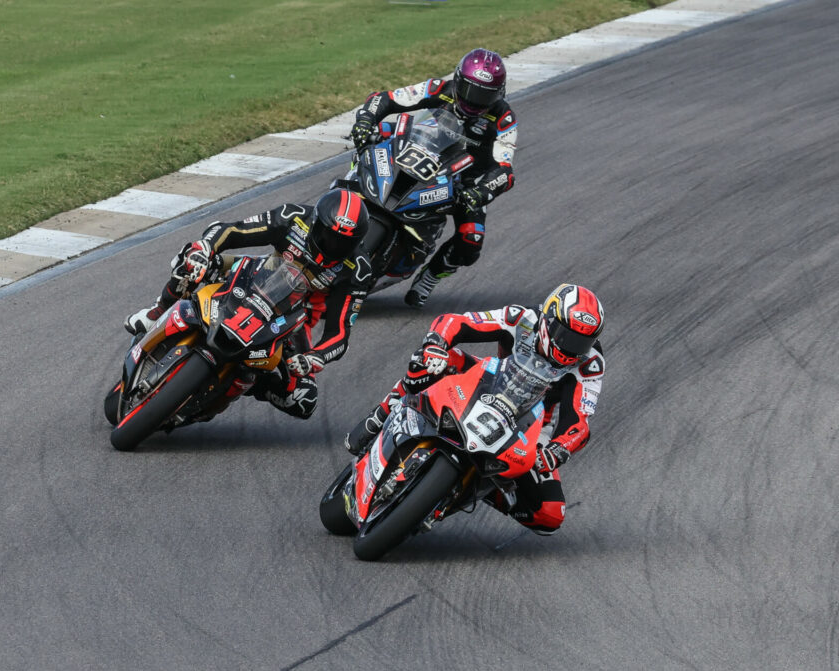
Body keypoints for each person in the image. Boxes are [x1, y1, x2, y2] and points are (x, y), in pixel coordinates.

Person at [344, 283, 605, 535]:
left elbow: (578, 421)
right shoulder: (522, 318)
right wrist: (436, 343)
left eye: (581, 342)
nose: (570, 349)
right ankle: (381, 415)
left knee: (550, 514)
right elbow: (458, 322)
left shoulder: (590, 363)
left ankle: (488, 486)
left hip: (532, 426)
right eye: (565, 336)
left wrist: (558, 449)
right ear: (548, 321)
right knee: (438, 361)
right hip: (490, 382)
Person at [125, 188, 372, 420]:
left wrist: (315, 357)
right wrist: (206, 248)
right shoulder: (294, 217)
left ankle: (251, 380)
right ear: (317, 223)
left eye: (343, 243)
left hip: (295, 321)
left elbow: (339, 333)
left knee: (303, 401)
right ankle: (157, 312)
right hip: (256, 275)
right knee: (192, 262)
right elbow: (232, 230)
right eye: (329, 237)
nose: (334, 246)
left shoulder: (358, 270)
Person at [349, 48, 518, 308]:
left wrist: (481, 191)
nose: (475, 102)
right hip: (420, 147)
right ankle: (348, 186)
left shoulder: (504, 118)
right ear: (459, 81)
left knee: (471, 240)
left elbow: (505, 169)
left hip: (465, 180)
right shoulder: (439, 88)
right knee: (377, 133)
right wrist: (365, 120)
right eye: (471, 92)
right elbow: (386, 98)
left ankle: (429, 277)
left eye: (486, 95)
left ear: (499, 92)